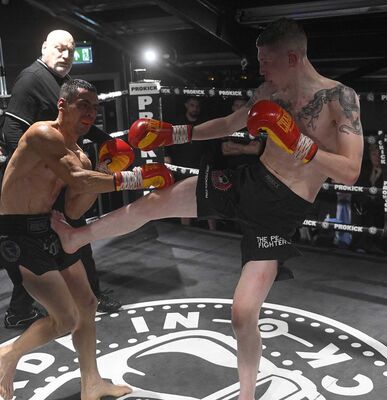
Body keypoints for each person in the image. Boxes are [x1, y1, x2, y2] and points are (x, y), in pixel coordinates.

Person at [51, 18, 364, 400]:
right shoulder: (269, 90)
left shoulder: (339, 99)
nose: (260, 69)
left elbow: (350, 172)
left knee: (242, 314)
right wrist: (175, 132)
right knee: (156, 202)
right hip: (249, 181)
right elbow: (232, 123)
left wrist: (300, 143)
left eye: (267, 61)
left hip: (281, 209)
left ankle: (247, 396)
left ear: (293, 57)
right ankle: (75, 237)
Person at [0, 78, 173, 400]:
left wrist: (107, 168)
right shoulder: (42, 134)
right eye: (83, 105)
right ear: (62, 105)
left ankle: (91, 383)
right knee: (65, 318)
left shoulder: (80, 154)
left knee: (88, 304)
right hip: (19, 231)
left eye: (95, 107)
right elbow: (77, 179)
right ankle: (6, 355)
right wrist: (135, 177)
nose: (91, 113)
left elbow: (75, 204)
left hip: (51, 226)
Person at [0, 29, 120, 329]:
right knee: (70, 235)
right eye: (59, 48)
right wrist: (39, 177)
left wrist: (114, 145)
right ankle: (83, 298)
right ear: (44, 47)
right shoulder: (32, 79)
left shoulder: (63, 83)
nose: (65, 55)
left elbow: (82, 125)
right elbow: (13, 131)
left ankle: (31, 307)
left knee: (65, 237)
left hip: (55, 177)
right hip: (39, 187)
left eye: (70, 50)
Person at [164, 96, 216, 229]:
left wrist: (209, 163)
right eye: (192, 105)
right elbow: (167, 143)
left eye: (197, 106)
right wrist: (167, 156)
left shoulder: (204, 123)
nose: (195, 109)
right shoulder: (178, 123)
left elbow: (211, 146)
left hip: (201, 165)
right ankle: (185, 230)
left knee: (207, 198)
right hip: (181, 165)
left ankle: (213, 231)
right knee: (183, 197)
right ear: (186, 105)